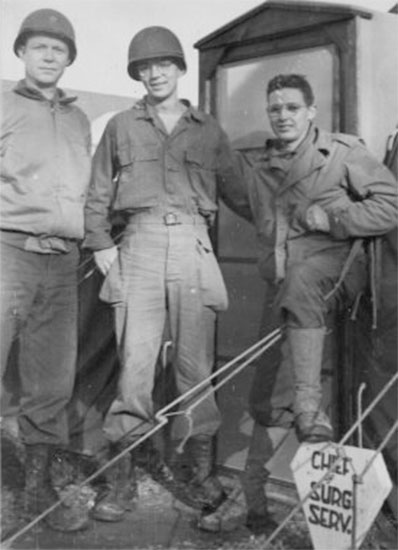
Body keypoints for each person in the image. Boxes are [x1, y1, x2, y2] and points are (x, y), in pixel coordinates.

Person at [218, 73, 398, 533]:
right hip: (285, 290)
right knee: (265, 395)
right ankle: (253, 498)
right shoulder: (259, 165)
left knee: (331, 396)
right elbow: (251, 209)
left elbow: (390, 205)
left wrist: (332, 218)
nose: (282, 115)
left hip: (337, 284)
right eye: (275, 108)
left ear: (311, 111)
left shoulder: (342, 153)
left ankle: (309, 408)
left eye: (292, 107)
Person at [84, 26, 240, 522]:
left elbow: (243, 189)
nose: (155, 74)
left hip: (194, 247)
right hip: (141, 245)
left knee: (196, 371)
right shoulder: (121, 126)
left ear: (179, 69)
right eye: (144, 68)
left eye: (163, 65)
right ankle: (121, 483)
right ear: (138, 75)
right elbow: (95, 193)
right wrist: (103, 245)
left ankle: (198, 475)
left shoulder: (208, 129)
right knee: (135, 369)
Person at [0, 9, 91, 532]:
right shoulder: (5, 106)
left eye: (59, 50)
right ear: (21, 53)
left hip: (62, 262)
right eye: (40, 48)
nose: (50, 57)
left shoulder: (79, 120)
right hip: (9, 252)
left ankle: (37, 491)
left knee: (51, 381)